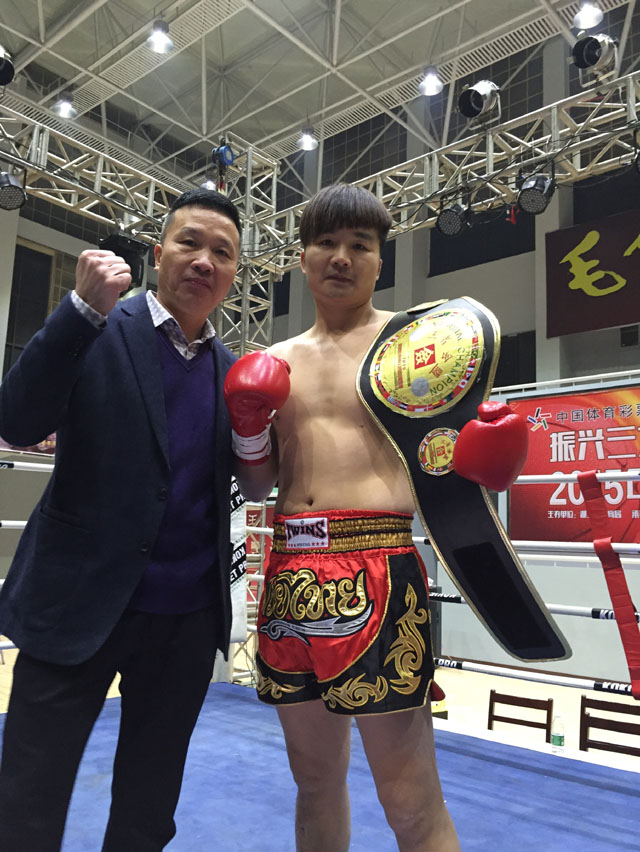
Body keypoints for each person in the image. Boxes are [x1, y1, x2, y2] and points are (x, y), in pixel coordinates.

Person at [0, 187, 276, 851]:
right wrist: (76, 311)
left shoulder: (235, 374)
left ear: (234, 274)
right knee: (25, 804)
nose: (204, 260)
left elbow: (254, 486)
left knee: (148, 815)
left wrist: (256, 430)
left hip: (184, 623)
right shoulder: (97, 327)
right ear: (158, 254)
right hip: (76, 605)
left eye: (222, 252)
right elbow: (16, 422)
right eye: (190, 243)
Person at [223, 183, 461, 851]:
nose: (341, 257)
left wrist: (489, 452)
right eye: (326, 243)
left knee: (409, 800)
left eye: (360, 245)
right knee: (315, 781)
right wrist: (248, 428)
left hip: (378, 567)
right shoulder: (276, 360)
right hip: (289, 574)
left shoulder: (413, 349)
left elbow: (449, 458)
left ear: (380, 262)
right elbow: (258, 484)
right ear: (302, 259)